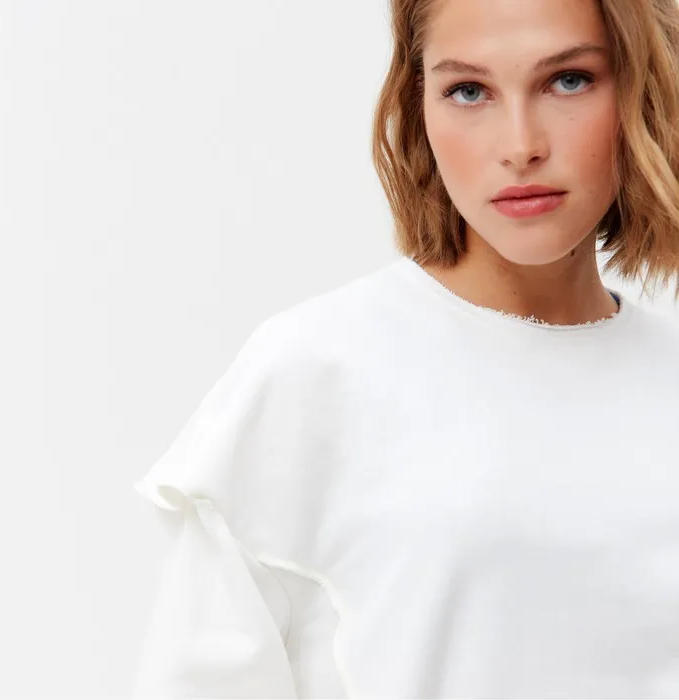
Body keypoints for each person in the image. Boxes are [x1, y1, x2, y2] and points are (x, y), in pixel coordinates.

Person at [131, 0, 679, 697]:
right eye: (469, 90)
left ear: (642, 88)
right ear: (418, 105)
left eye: (568, 80)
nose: (520, 144)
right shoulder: (317, 370)